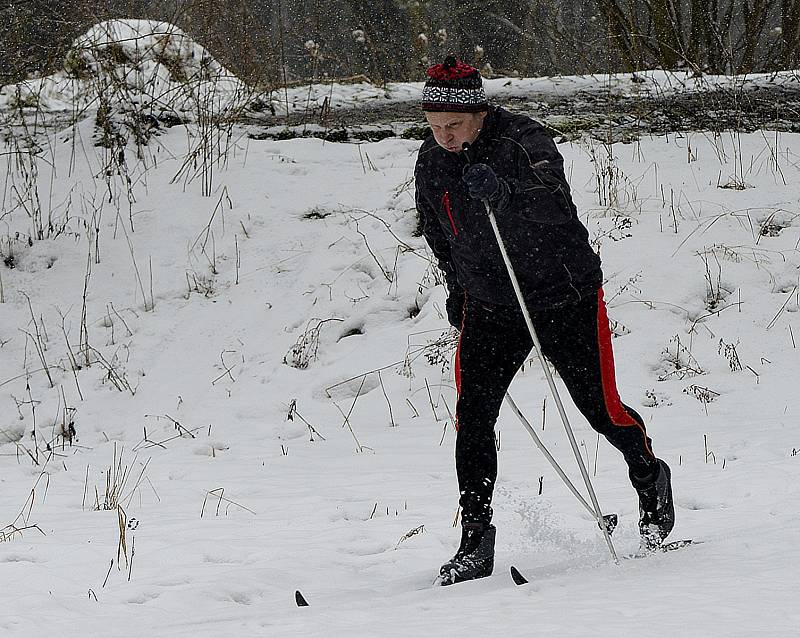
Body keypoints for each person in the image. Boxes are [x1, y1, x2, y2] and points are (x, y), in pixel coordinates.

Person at [414, 56, 675, 586]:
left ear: (479, 113)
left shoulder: (524, 141)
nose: (443, 136)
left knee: (600, 409)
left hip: (562, 295)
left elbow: (556, 209)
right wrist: (456, 289)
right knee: (473, 416)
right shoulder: (432, 159)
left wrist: (505, 194)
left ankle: (649, 475)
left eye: (454, 125)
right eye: (434, 125)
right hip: (490, 303)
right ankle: (475, 538)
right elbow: (440, 233)